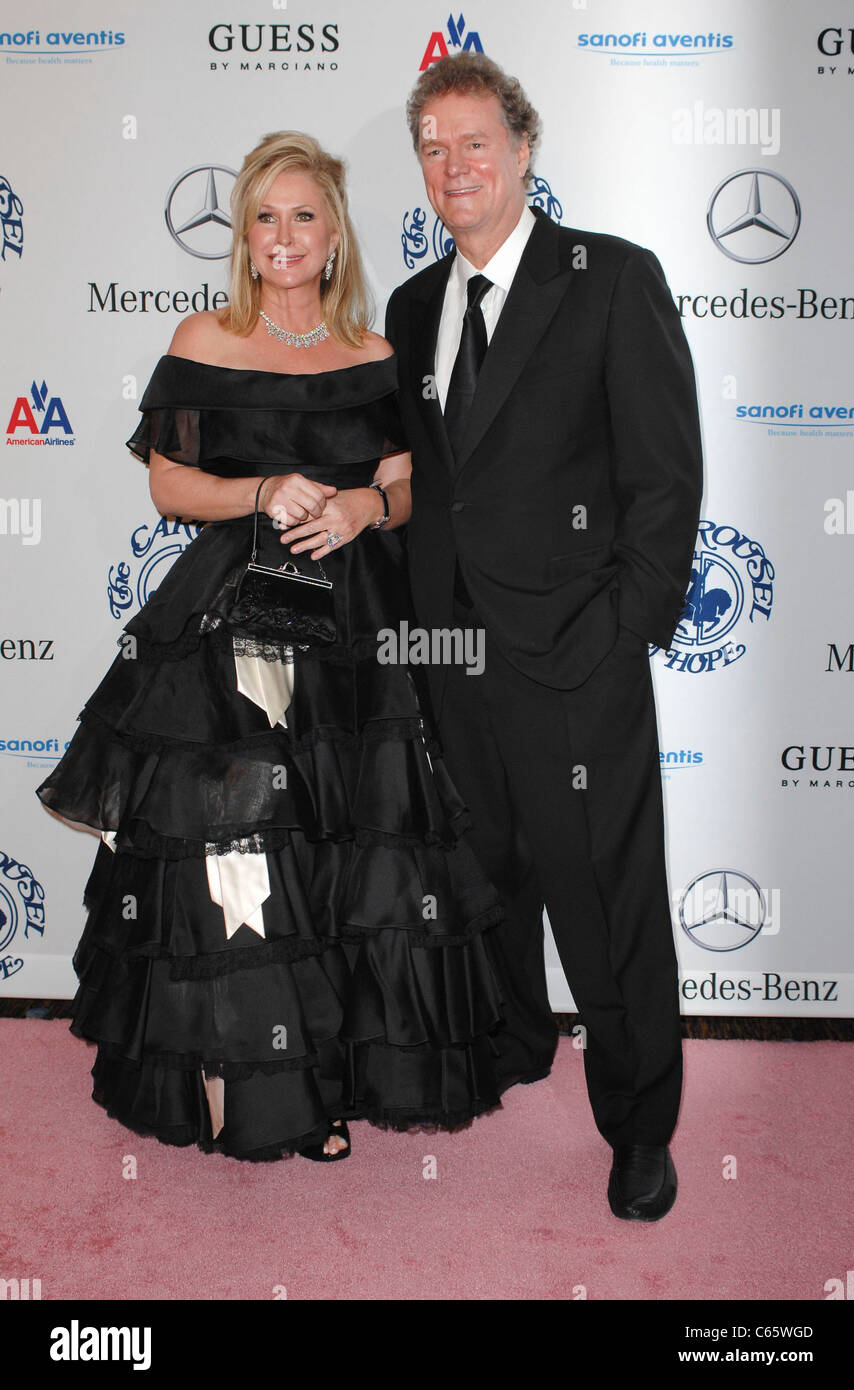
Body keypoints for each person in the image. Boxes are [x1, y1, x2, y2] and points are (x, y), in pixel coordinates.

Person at [36, 130, 516, 1163]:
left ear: (334, 235)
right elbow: (169, 485)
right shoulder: (205, 340)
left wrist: (360, 508)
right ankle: (240, 1075)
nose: (283, 235)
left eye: (303, 216)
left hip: (354, 635)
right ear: (244, 239)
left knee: (344, 855)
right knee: (237, 850)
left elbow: (408, 483)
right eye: (264, 216)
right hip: (231, 629)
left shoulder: (375, 354)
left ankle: (322, 1080)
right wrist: (259, 490)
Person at [385, 55, 703, 1219]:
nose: (452, 166)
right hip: (453, 663)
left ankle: (638, 1124)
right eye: (431, 147)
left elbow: (665, 483)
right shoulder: (415, 305)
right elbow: (434, 481)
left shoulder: (610, 279)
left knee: (606, 901)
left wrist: (623, 631)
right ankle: (516, 1041)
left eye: (473, 142)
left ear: (523, 151)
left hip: (578, 658)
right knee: (487, 877)